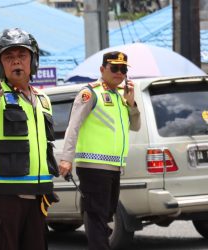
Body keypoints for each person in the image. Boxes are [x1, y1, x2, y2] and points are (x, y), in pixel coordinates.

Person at [0, 28, 58, 250]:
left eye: (22, 56)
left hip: (37, 199)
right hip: (4, 199)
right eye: (9, 57)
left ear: (33, 60)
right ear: (0, 64)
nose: (16, 62)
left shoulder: (43, 99)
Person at [59, 51, 141, 250]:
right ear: (102, 69)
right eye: (114, 68)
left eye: (123, 69)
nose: (119, 73)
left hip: (113, 167)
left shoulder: (121, 96)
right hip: (93, 167)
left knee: (105, 216)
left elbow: (136, 126)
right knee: (96, 217)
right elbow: (73, 126)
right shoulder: (90, 93)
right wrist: (66, 158)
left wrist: (131, 103)